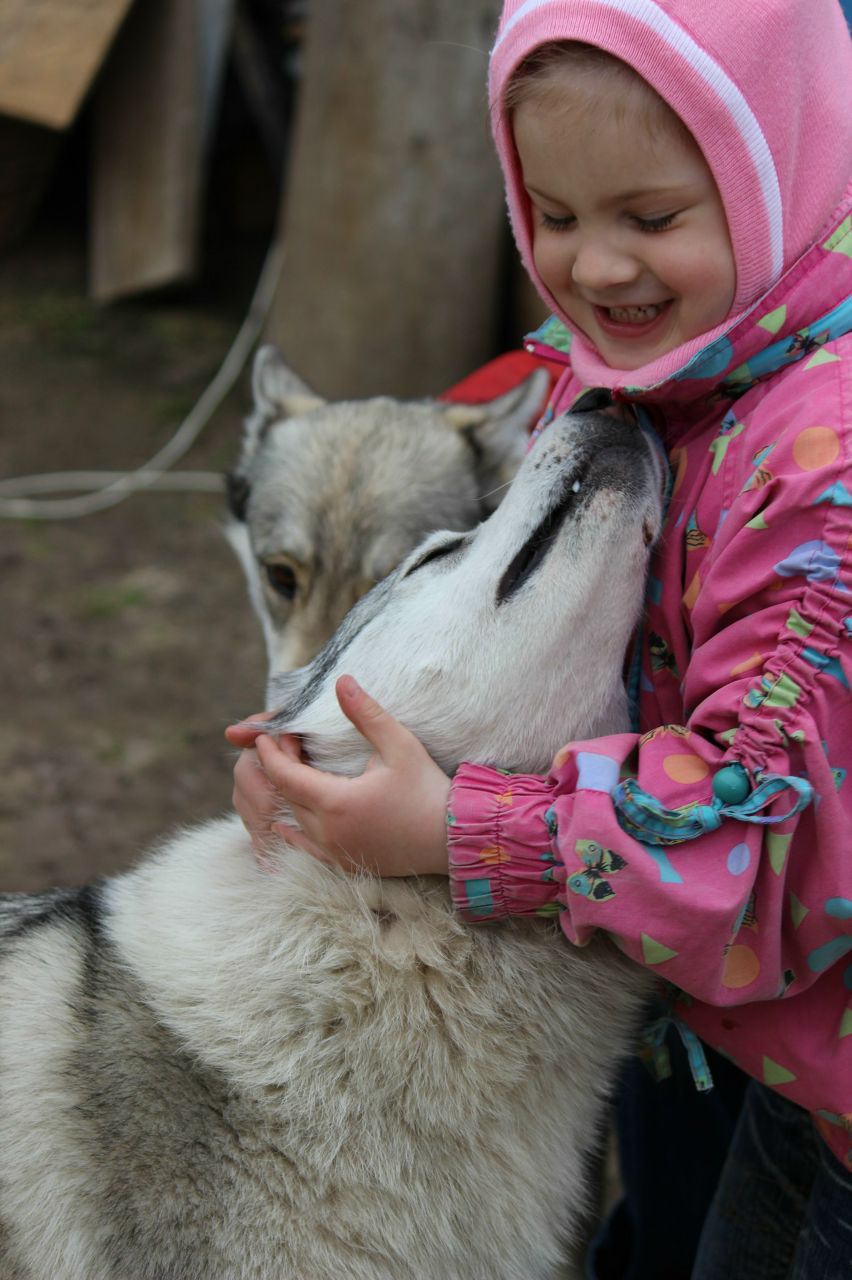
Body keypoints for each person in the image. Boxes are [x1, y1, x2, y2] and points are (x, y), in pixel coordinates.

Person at [227, 1, 852, 1274]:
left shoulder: (823, 477)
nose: (597, 267)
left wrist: (460, 829)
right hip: (731, 1011)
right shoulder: (660, 357)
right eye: (555, 217)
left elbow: (758, 838)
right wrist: (324, 746)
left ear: (779, 169)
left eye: (652, 217)